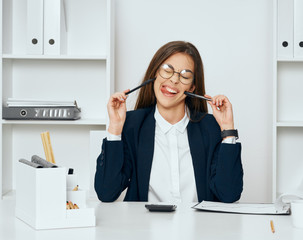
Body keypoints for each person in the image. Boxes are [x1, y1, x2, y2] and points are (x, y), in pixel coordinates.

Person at [95, 41, 243, 203]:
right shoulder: (132, 125)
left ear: (192, 87)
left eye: (185, 76)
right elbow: (106, 192)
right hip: (144, 227)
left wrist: (228, 131)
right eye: (167, 70)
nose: (173, 80)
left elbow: (229, 195)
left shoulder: (210, 127)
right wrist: (115, 129)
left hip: (201, 227)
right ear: (155, 74)